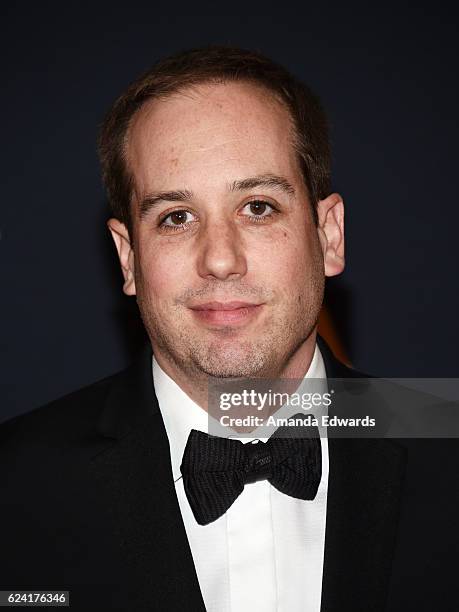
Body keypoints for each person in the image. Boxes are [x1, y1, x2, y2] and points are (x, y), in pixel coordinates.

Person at [0, 46, 457, 612]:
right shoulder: (14, 485)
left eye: (258, 207)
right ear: (128, 258)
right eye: (176, 217)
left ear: (329, 236)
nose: (220, 260)